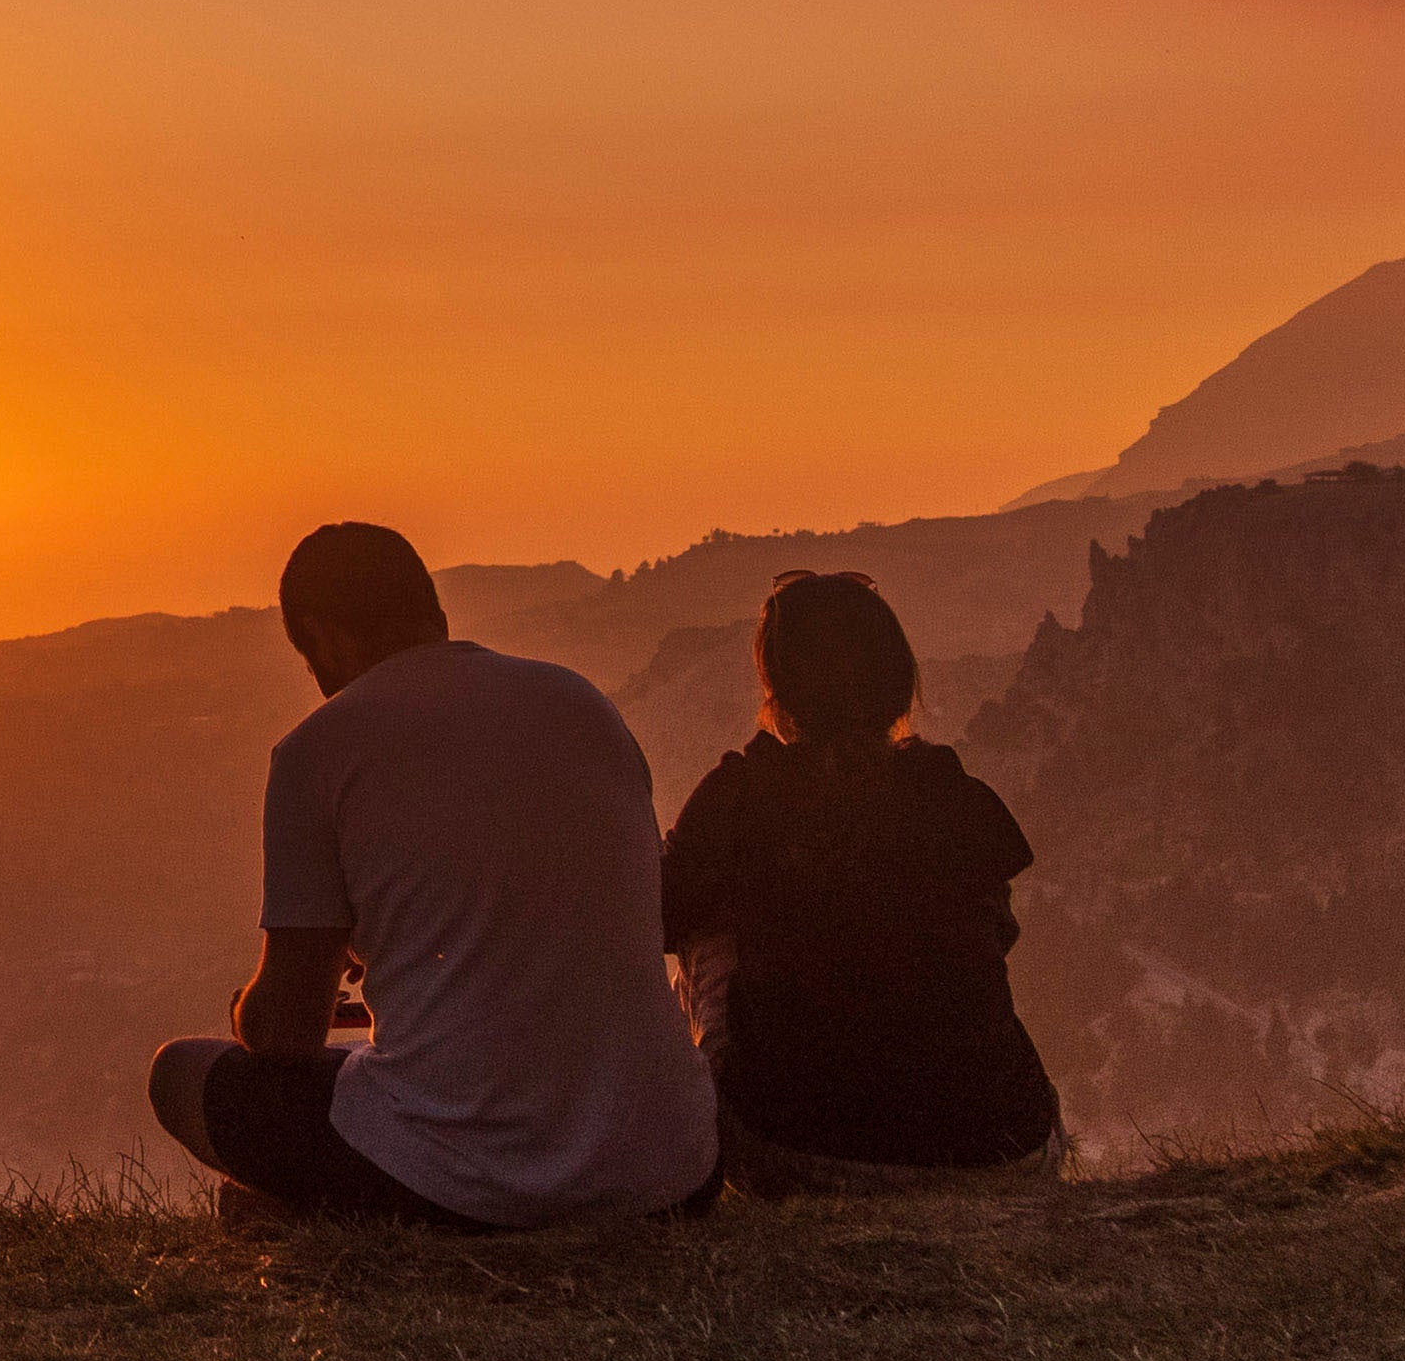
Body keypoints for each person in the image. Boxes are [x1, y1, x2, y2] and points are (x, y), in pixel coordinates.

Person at [144, 519, 714, 1228]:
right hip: (673, 1167)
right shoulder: (582, 703)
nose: (321, 684)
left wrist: (248, 1006)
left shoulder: (316, 752)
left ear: (325, 636)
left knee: (179, 1074)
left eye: (311, 659)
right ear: (433, 611)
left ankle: (315, 1206)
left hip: (477, 1189)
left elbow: (284, 1030)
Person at [663, 572, 1064, 1191]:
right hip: (1007, 1152)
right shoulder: (949, 792)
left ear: (779, 688)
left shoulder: (740, 797)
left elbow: (658, 916)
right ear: (898, 683)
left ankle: (693, 1150)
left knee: (705, 925)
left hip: (800, 1154)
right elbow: (996, 931)